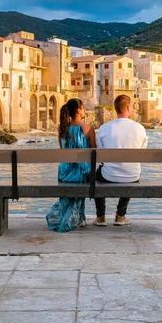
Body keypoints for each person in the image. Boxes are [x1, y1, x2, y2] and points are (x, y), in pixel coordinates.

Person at [93, 94, 147, 227]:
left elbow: (100, 151)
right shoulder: (139, 128)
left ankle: (100, 217)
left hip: (108, 175)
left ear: (115, 109)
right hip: (132, 175)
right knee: (130, 170)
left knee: (97, 175)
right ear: (128, 108)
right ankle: (120, 216)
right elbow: (142, 150)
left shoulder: (105, 128)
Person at [46, 98, 96, 233]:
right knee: (84, 170)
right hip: (82, 171)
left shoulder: (62, 129)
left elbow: (63, 151)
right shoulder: (88, 128)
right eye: (84, 107)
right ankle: (80, 217)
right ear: (79, 110)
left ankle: (72, 216)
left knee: (74, 174)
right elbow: (94, 152)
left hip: (64, 171)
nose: (85, 110)